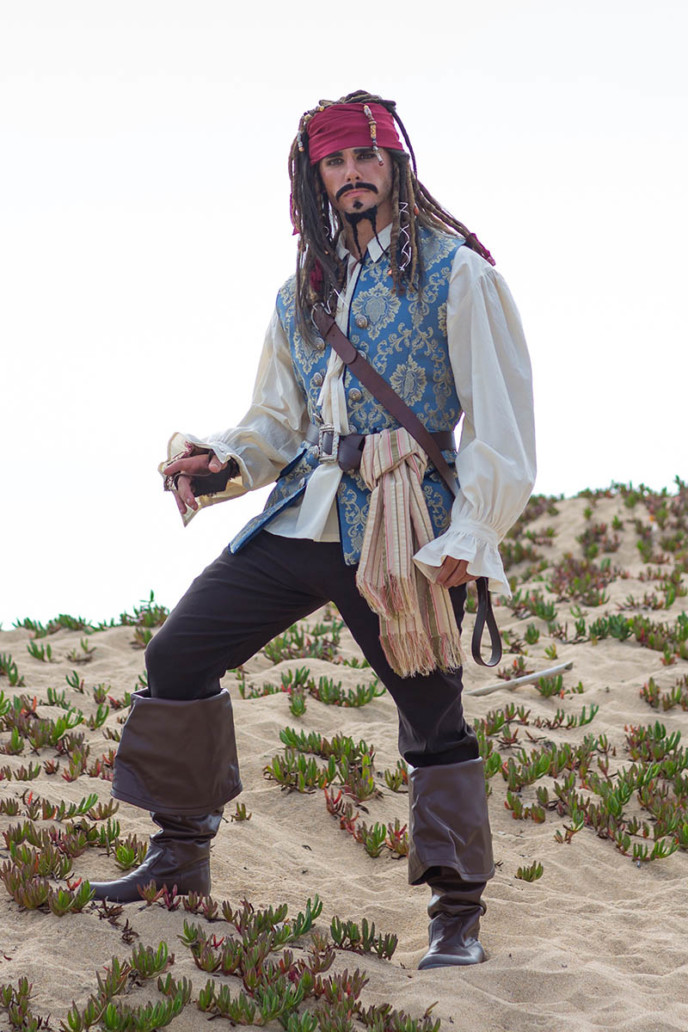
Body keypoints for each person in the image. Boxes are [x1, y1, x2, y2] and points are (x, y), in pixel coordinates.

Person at [90, 90, 536, 969]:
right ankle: (180, 856)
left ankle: (457, 913)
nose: (353, 174)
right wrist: (223, 460)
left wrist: (472, 530)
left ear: (395, 163)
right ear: (315, 177)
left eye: (366, 157)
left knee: (433, 718)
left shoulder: (459, 274)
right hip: (303, 517)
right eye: (335, 162)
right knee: (177, 657)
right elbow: (278, 420)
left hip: (403, 525)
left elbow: (501, 423)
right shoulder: (303, 292)